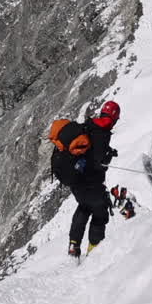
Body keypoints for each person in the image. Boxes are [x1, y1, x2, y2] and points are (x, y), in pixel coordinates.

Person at [66, 100, 120, 258]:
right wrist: (108, 156)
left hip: (77, 181)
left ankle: (73, 244)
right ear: (114, 117)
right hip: (91, 183)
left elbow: (90, 150)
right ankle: (94, 251)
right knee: (100, 212)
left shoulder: (90, 125)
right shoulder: (103, 131)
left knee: (84, 206)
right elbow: (98, 161)